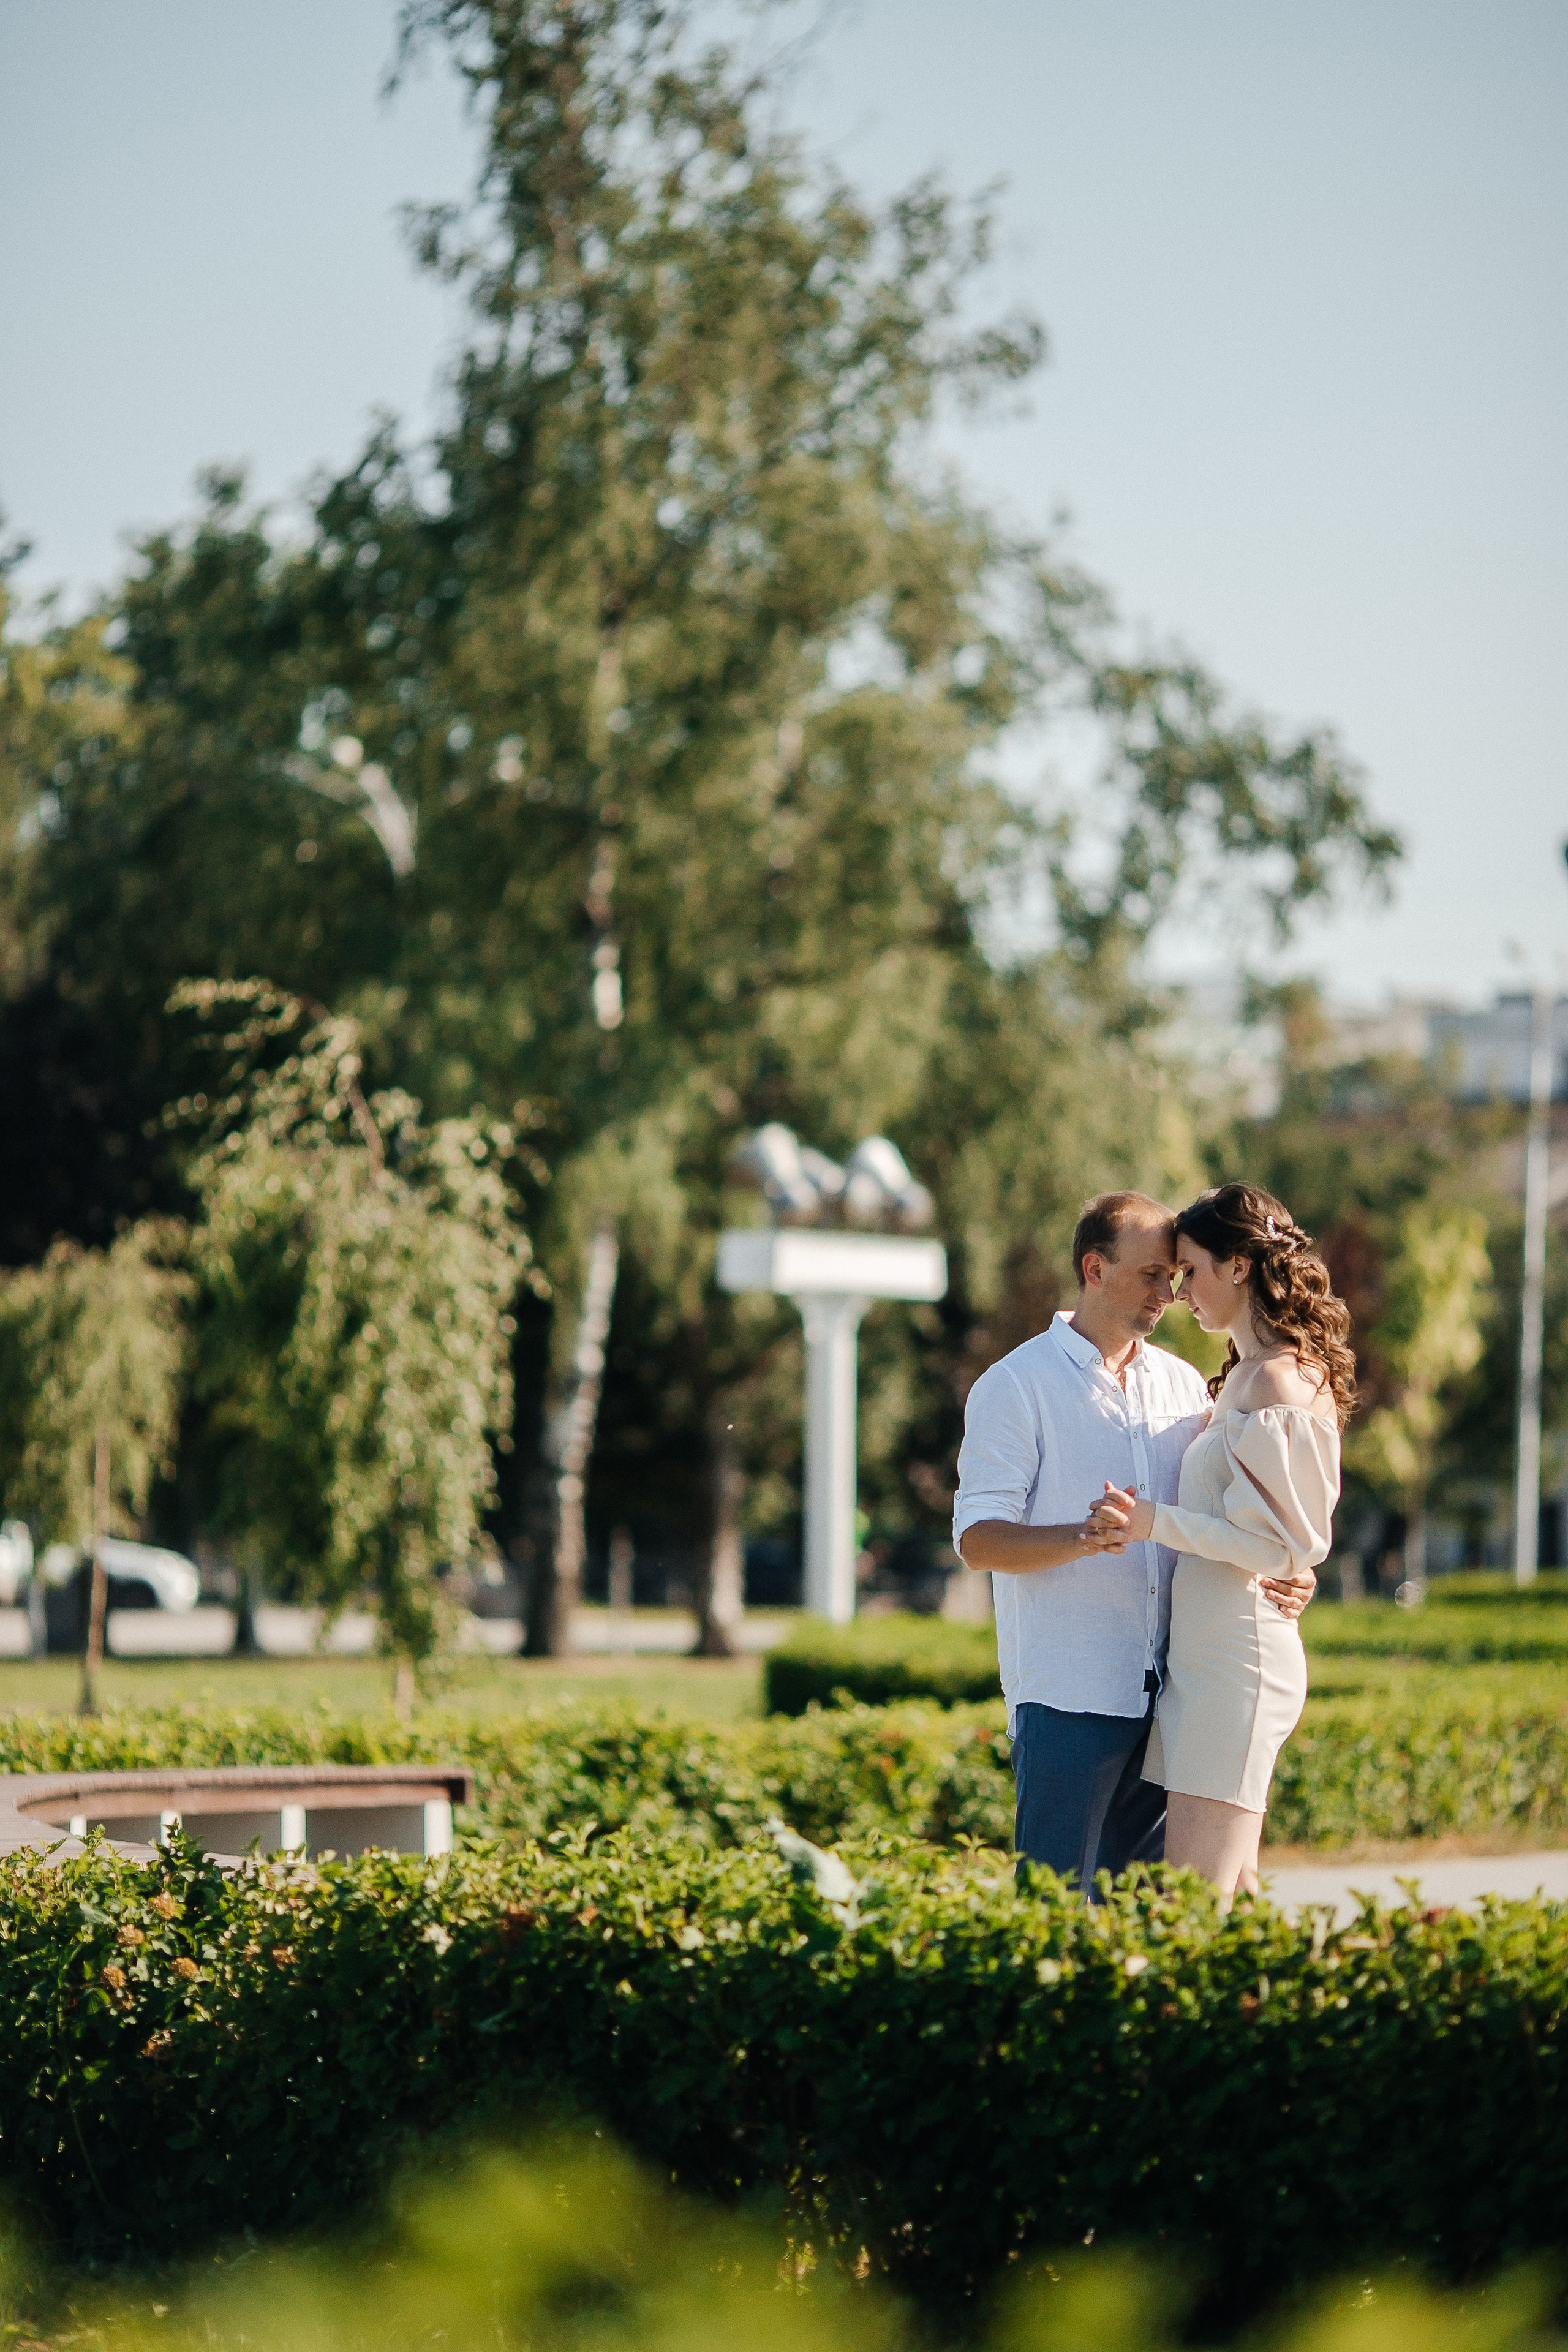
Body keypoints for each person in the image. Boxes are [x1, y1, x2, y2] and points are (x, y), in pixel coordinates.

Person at [952, 1189, 1315, 1893]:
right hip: (1070, 1696)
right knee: (1052, 1914)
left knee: (1150, 1920)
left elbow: (1241, 1515)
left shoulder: (1186, 1385)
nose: (1171, 1293)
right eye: (1152, 1274)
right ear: (1094, 1268)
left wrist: (1291, 1571)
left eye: (1177, 1275)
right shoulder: (1015, 1386)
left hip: (1179, 1693)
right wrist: (1084, 1538)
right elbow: (978, 1540)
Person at [1087, 1183, 1353, 1903]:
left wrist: (1150, 1523)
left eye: (1190, 1271)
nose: (1178, 1293)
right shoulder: (1241, 1378)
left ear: (1238, 1266)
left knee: (1192, 1905)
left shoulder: (1280, 1382)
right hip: (1205, 1663)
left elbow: (1285, 1547)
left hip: (1239, 1663)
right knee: (1232, 1892)